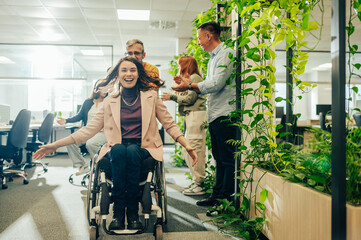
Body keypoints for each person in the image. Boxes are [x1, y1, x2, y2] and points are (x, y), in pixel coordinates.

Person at [33, 57, 198, 231]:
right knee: (119, 149)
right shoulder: (109, 101)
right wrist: (55, 145)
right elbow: (87, 131)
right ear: (117, 75)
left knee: (132, 150)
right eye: (124, 70)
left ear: (139, 73)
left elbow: (169, 124)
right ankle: (122, 213)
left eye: (132, 70)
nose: (128, 74)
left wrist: (186, 145)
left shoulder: (151, 97)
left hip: (144, 148)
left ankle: (129, 212)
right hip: (118, 149)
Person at [172, 22, 236, 215]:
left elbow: (216, 84)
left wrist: (190, 86)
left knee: (227, 159)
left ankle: (225, 201)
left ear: (209, 36)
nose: (198, 42)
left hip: (226, 113)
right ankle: (217, 195)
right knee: (218, 157)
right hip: (215, 113)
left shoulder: (226, 54)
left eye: (200, 38)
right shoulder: (212, 58)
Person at [161, 56, 207, 196]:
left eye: (180, 65)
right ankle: (196, 181)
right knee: (190, 148)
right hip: (192, 116)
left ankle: (200, 183)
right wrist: (179, 87)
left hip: (197, 116)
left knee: (195, 148)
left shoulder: (195, 78)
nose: (178, 67)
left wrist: (172, 97)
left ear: (186, 65)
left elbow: (189, 99)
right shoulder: (190, 79)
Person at [57, 79, 110, 175]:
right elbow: (79, 116)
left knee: (91, 144)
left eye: (107, 88)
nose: (105, 90)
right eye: (102, 88)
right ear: (96, 89)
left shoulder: (109, 102)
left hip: (102, 132)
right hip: (87, 131)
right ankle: (82, 165)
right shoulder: (88, 102)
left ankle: (98, 166)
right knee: (71, 142)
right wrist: (66, 120)